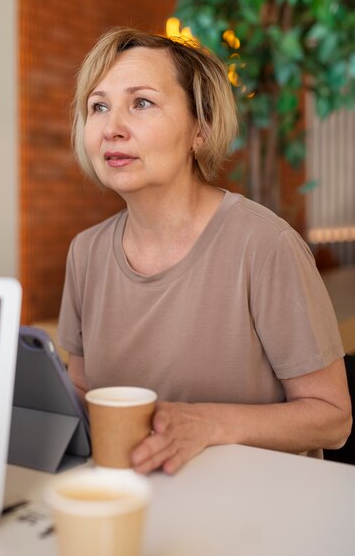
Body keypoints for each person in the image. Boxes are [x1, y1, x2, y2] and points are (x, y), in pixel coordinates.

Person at [58, 27, 352, 475]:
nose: (112, 128)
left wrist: (208, 423)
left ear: (201, 128)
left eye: (141, 103)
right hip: (137, 502)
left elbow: (333, 419)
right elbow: (83, 393)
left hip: (256, 515)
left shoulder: (265, 245)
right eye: (99, 106)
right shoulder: (85, 253)